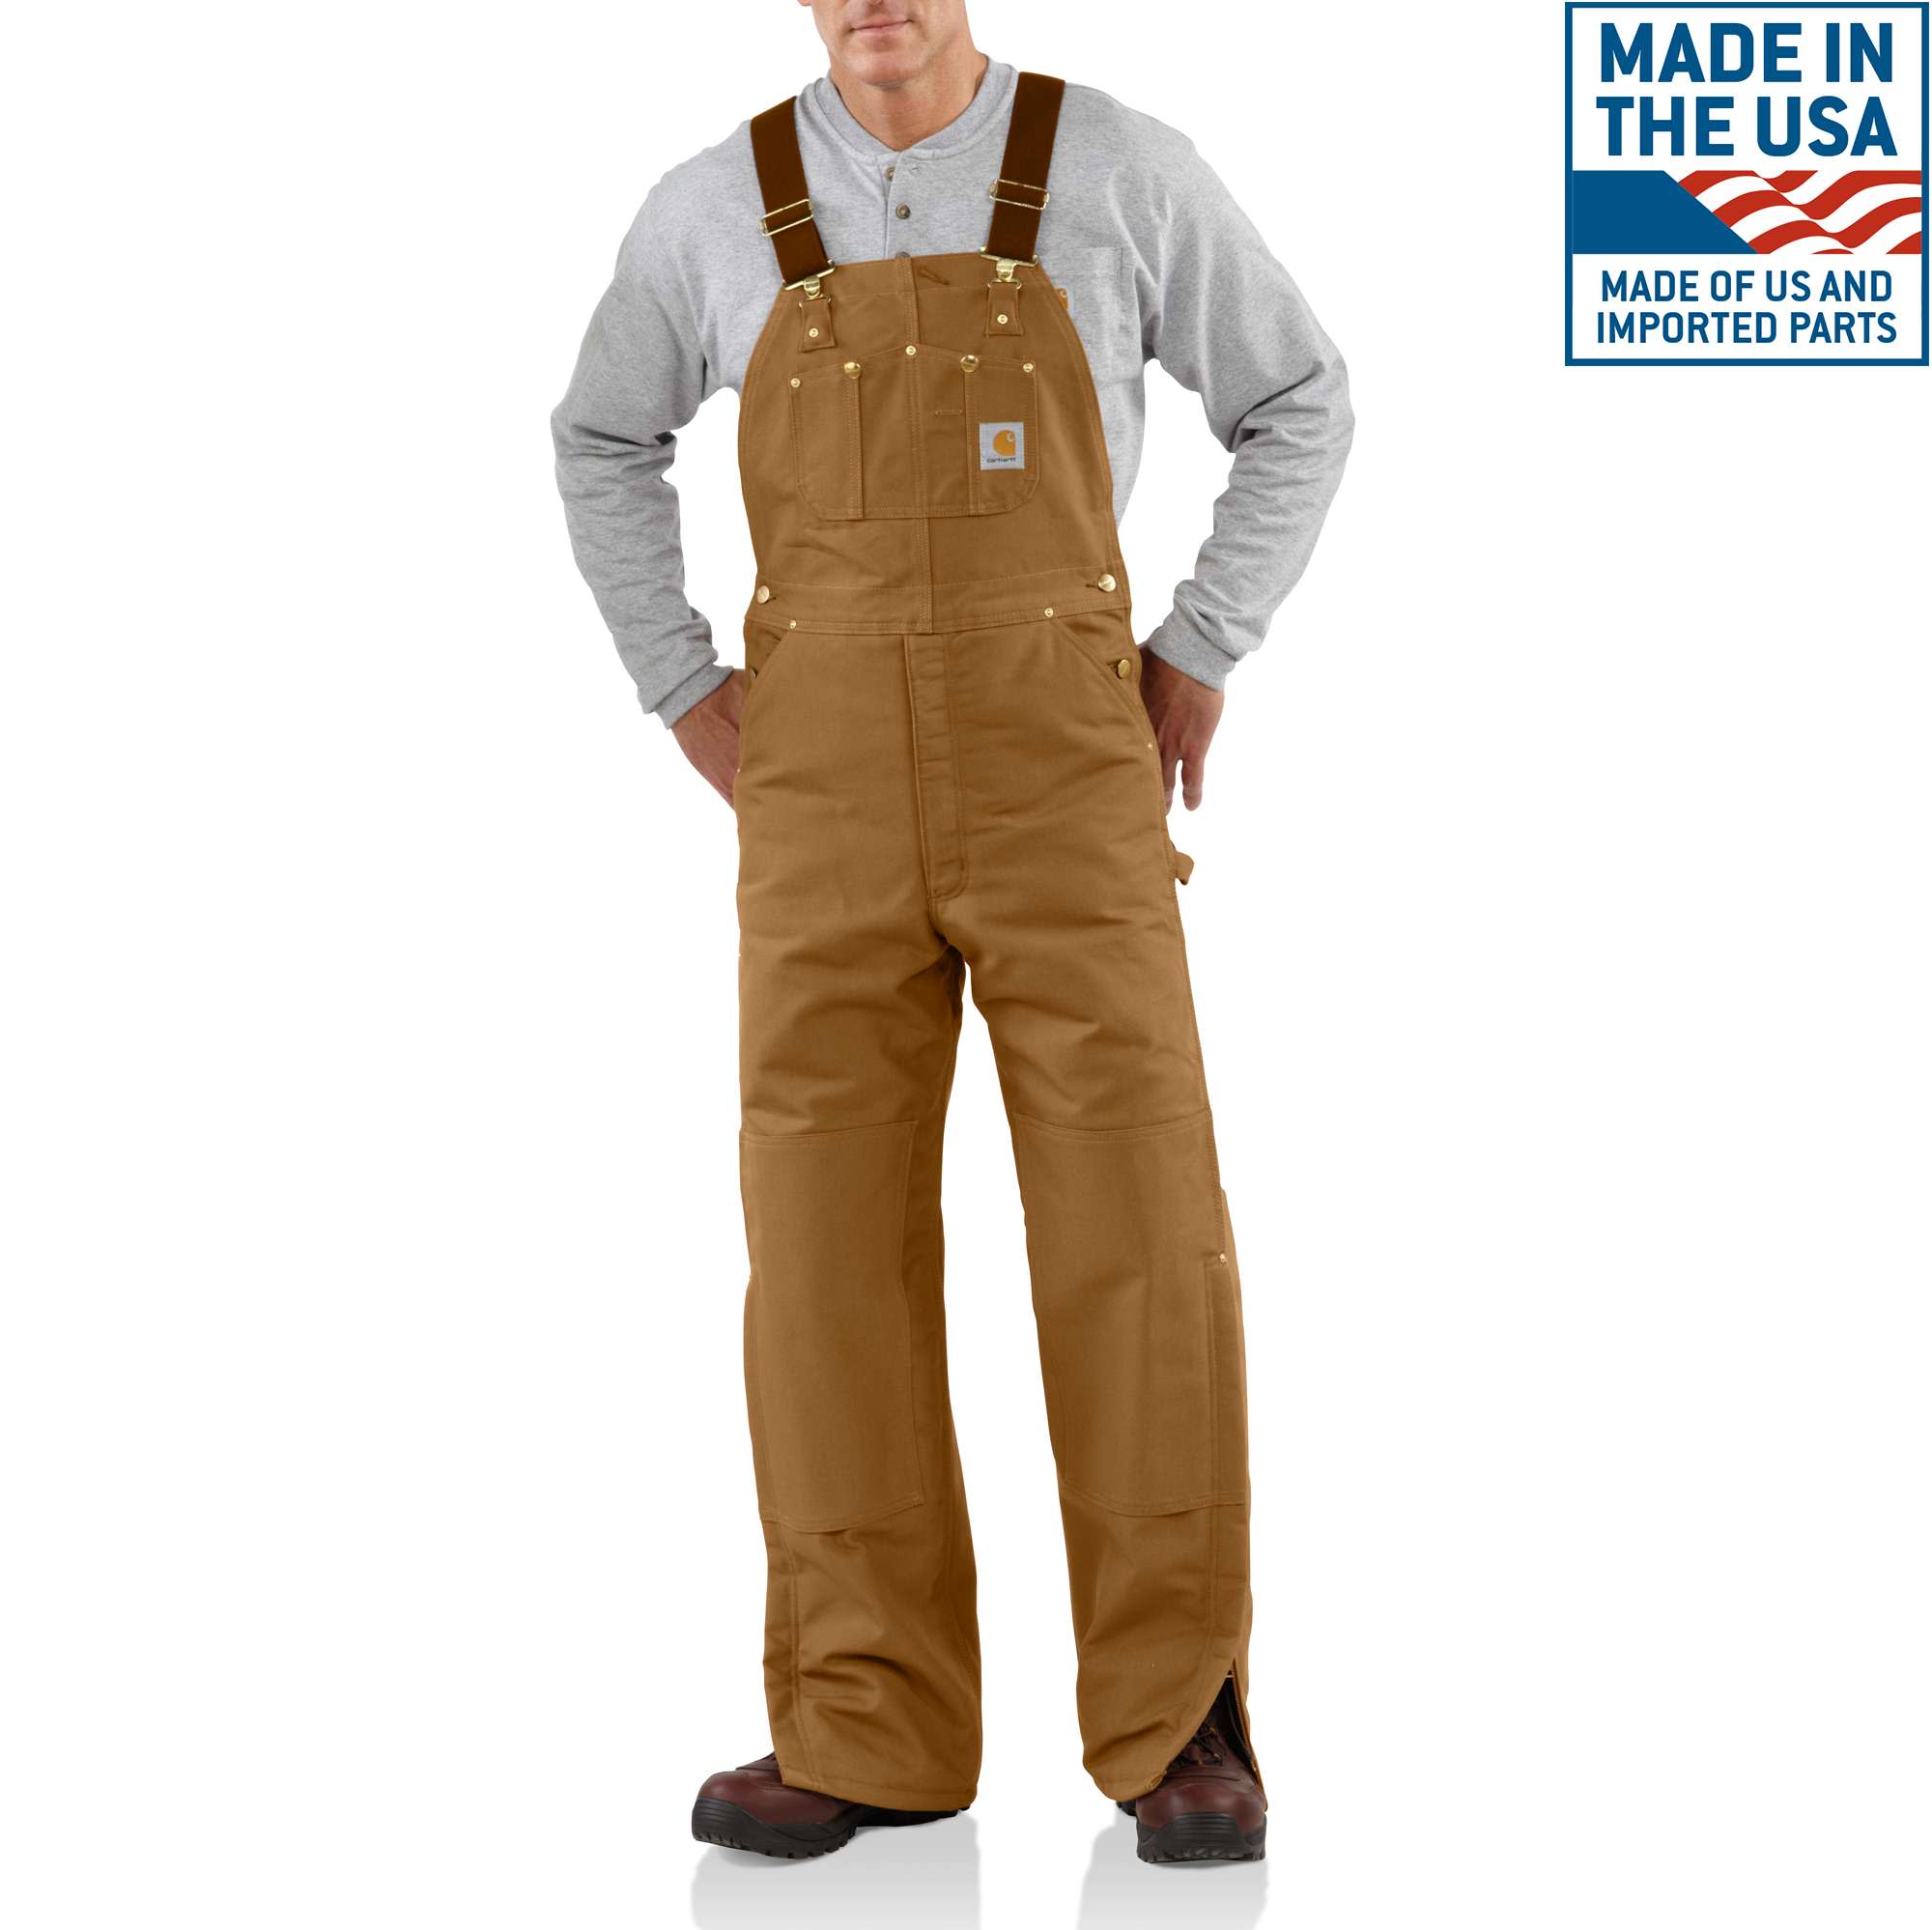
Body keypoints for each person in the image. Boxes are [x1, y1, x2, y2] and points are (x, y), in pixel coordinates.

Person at [551, 0, 1352, 1865]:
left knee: (1137, 1230)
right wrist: (683, 685)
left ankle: (1181, 1717)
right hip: (819, 800)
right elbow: (599, 435)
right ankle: (865, 1720)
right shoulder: (715, 205)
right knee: (821, 1248)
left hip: (1067, 774)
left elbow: (1301, 395)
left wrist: (1201, 647)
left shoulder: (1117, 168)